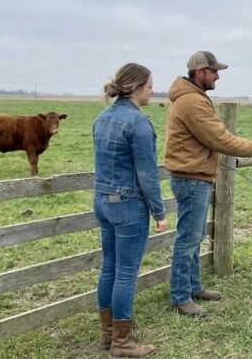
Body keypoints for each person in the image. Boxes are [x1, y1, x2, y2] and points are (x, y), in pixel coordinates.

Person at [165, 50, 252, 318]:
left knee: (195, 235)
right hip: (191, 178)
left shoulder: (192, 98)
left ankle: (192, 287)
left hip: (195, 176)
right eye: (214, 72)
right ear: (200, 72)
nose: (217, 76)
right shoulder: (193, 102)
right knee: (188, 239)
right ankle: (180, 296)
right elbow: (220, 138)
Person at [93, 63, 168, 358]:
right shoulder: (138, 123)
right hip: (128, 205)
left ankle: (107, 334)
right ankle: (122, 344)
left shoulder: (102, 118)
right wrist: (160, 212)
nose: (152, 91)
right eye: (150, 87)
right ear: (137, 88)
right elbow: (147, 175)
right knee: (126, 272)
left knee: (109, 266)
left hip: (102, 200)